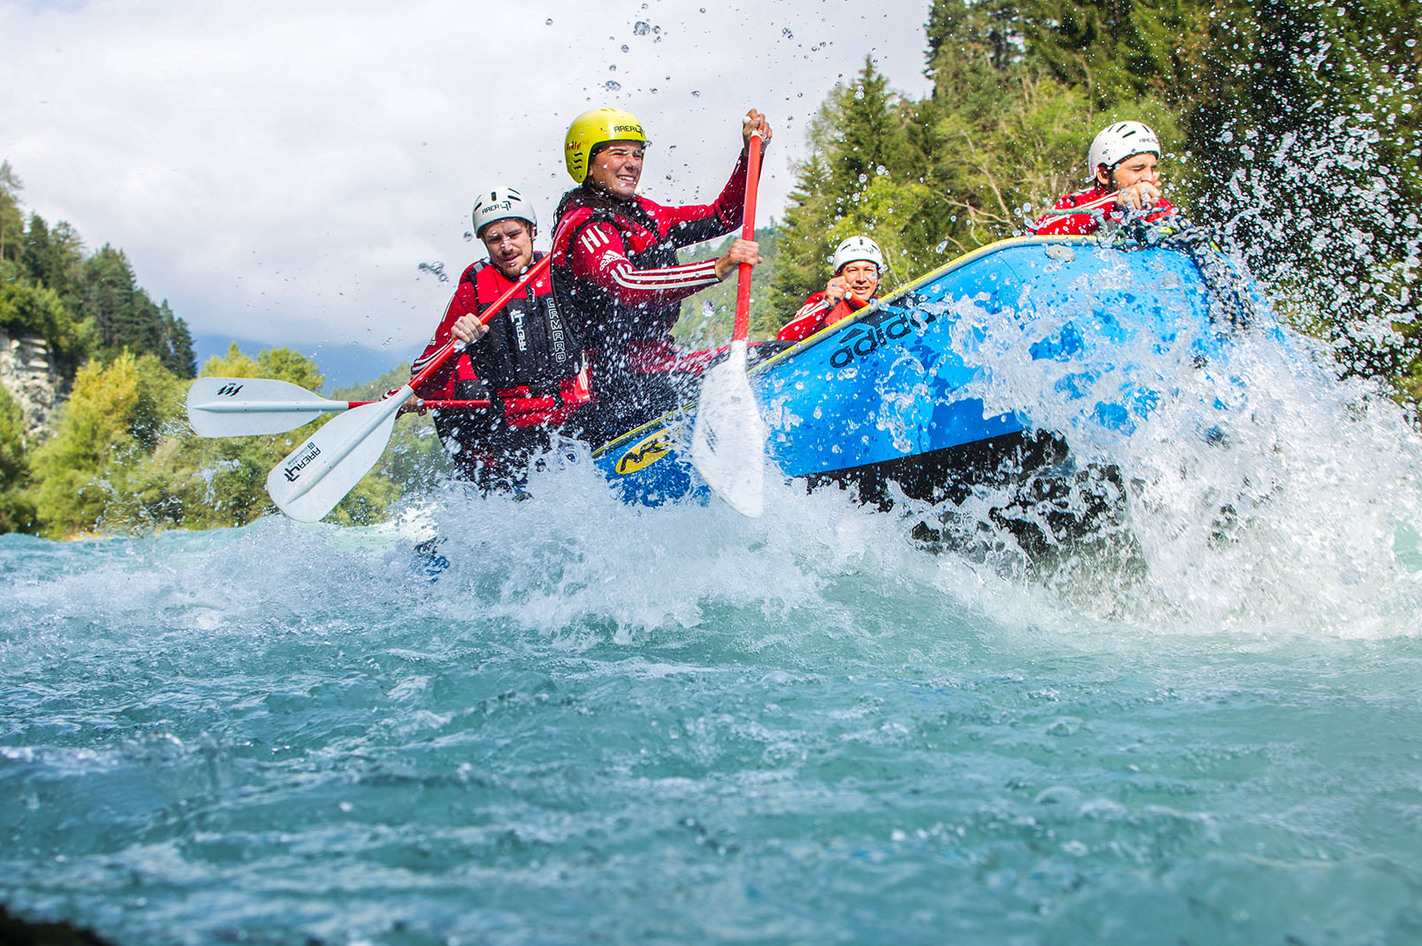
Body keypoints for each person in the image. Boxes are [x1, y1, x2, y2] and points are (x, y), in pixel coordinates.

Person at [549, 106, 771, 444]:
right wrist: (716, 268)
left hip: (664, 362)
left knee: (771, 355)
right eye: (619, 153)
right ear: (588, 162)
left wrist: (750, 155)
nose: (633, 163)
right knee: (735, 378)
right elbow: (625, 283)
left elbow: (725, 215)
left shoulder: (646, 214)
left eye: (638, 154)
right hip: (621, 383)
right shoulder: (585, 226)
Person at [411, 186, 592, 491]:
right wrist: (454, 343)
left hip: (569, 417)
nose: (506, 247)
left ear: (532, 232)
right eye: (495, 239)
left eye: (514, 234)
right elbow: (424, 380)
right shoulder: (473, 288)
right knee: (463, 390)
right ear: (483, 242)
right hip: (507, 428)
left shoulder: (560, 271)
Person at [1033, 121, 1176, 236]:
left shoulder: (1159, 207)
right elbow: (1037, 235)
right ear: (1104, 175)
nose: (1149, 177)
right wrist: (1114, 203)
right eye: (1137, 169)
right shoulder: (1074, 203)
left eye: (1152, 168)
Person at [777, 235, 884, 342]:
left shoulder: (886, 305)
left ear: (879, 277)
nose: (861, 278)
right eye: (853, 270)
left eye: (869, 270)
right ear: (838, 275)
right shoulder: (822, 302)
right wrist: (827, 304)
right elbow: (784, 337)